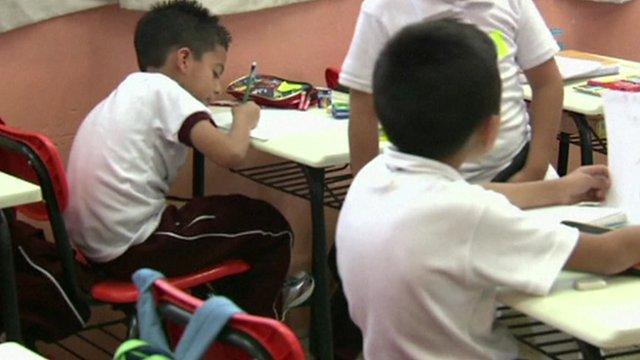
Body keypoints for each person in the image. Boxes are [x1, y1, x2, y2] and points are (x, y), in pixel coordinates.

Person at [336, 18, 640, 359]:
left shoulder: (373, 176)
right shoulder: (468, 216)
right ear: (490, 131)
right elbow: (607, 255)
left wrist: (559, 189)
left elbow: (475, 196)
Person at [64, 0, 309, 318]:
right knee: (272, 228)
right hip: (133, 248)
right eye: (215, 72)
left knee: (224, 216)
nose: (218, 86)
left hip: (91, 247)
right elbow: (232, 153)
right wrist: (244, 119)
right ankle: (256, 334)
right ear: (183, 59)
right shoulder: (167, 93)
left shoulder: (131, 90)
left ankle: (226, 319)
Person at [341, 0, 563, 183]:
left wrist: (535, 169)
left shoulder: (510, 3)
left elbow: (547, 84)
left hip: (515, 169)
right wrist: (367, 185)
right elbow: (363, 105)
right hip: (424, 182)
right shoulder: (383, 8)